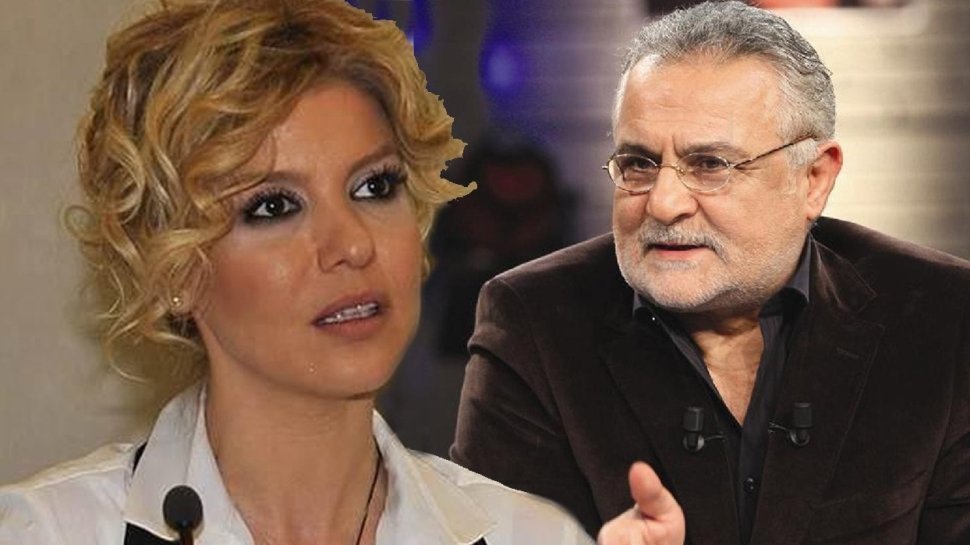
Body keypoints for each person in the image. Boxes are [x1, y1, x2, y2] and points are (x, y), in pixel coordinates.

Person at [0, 1, 598, 544]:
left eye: (374, 187)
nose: (352, 245)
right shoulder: (48, 533)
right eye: (274, 206)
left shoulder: (533, 537)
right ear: (175, 269)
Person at [452, 1, 970, 544]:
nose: (663, 203)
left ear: (814, 179)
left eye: (710, 165)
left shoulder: (943, 317)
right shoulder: (533, 324)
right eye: (639, 164)